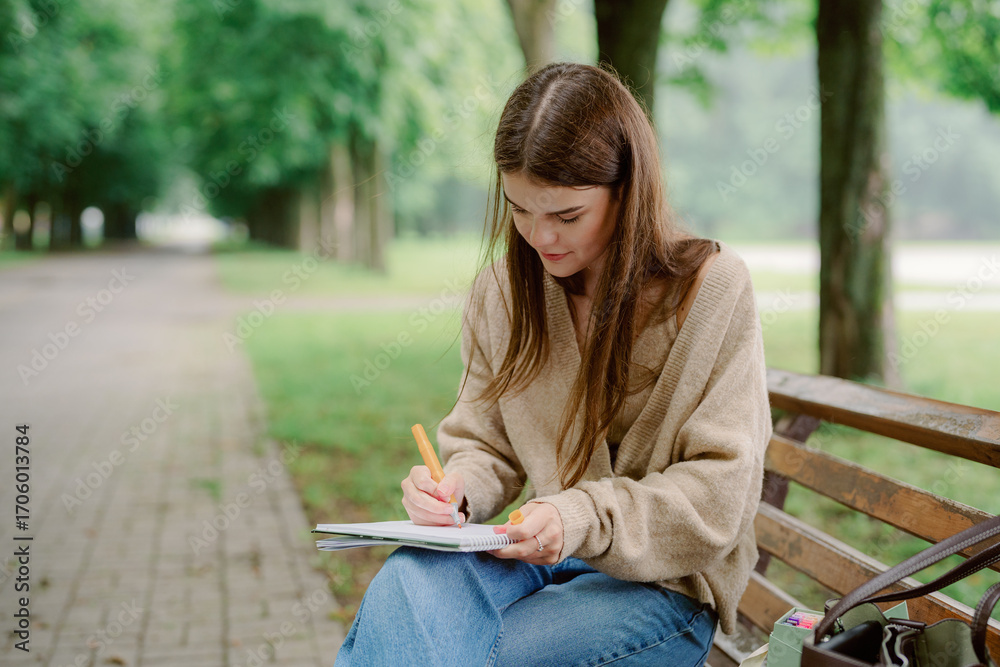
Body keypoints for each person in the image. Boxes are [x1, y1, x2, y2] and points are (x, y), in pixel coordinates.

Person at [336, 61, 771, 666]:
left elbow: (719, 494)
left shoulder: (712, 290)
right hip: (534, 554)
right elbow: (484, 445)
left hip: (663, 587)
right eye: (518, 210)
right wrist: (457, 491)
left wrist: (580, 517)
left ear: (628, 193)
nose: (540, 238)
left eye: (567, 216)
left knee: (466, 652)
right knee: (408, 581)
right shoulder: (504, 292)